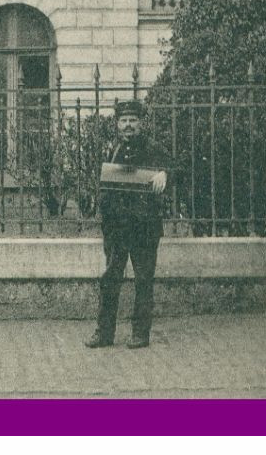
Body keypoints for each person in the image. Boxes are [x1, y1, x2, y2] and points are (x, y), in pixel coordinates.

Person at [86, 98, 171, 349]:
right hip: (117, 228)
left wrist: (165, 173)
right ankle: (104, 333)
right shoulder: (111, 150)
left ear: (141, 123)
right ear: (116, 124)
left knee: (143, 280)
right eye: (123, 121)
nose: (128, 125)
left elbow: (176, 168)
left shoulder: (154, 149)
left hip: (144, 228)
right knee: (110, 279)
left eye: (133, 120)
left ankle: (140, 333)